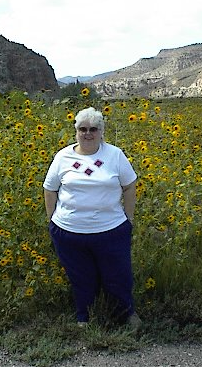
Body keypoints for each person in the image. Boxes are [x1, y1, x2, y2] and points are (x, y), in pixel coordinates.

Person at [43, 106, 141, 329]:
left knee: (118, 276)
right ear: (76, 131)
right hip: (69, 232)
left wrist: (129, 219)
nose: (88, 133)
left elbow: (129, 186)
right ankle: (84, 317)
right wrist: (52, 221)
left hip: (111, 231)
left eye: (93, 129)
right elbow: (50, 189)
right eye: (82, 129)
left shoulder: (114, 155)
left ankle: (125, 314)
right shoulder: (63, 157)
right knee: (81, 278)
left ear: (101, 132)